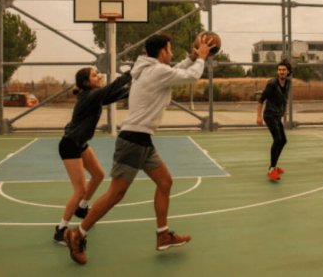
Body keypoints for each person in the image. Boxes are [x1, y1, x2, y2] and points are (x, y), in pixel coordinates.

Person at [64, 33, 214, 265]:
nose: (172, 53)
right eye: (170, 49)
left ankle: (163, 234)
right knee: (116, 194)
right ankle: (78, 233)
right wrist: (201, 58)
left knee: (165, 182)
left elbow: (174, 72)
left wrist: (190, 57)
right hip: (133, 141)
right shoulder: (156, 72)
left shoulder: (149, 69)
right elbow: (190, 77)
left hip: (142, 139)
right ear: (162, 51)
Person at [53, 67, 132, 245]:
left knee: (98, 175)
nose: (100, 75)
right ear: (87, 83)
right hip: (70, 145)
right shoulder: (90, 96)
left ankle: (82, 209)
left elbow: (117, 94)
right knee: (80, 190)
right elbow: (111, 89)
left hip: (80, 144)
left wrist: (141, 86)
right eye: (95, 75)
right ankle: (61, 230)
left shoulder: (94, 95)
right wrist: (130, 74)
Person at [257, 59, 292, 182]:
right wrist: (259, 116)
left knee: (283, 141)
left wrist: (283, 111)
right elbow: (261, 100)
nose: (281, 72)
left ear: (288, 72)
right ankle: (271, 169)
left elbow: (284, 99)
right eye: (279, 70)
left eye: (284, 70)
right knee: (277, 139)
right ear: (277, 71)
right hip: (269, 115)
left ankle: (274, 166)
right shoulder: (272, 84)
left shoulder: (288, 83)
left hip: (277, 116)